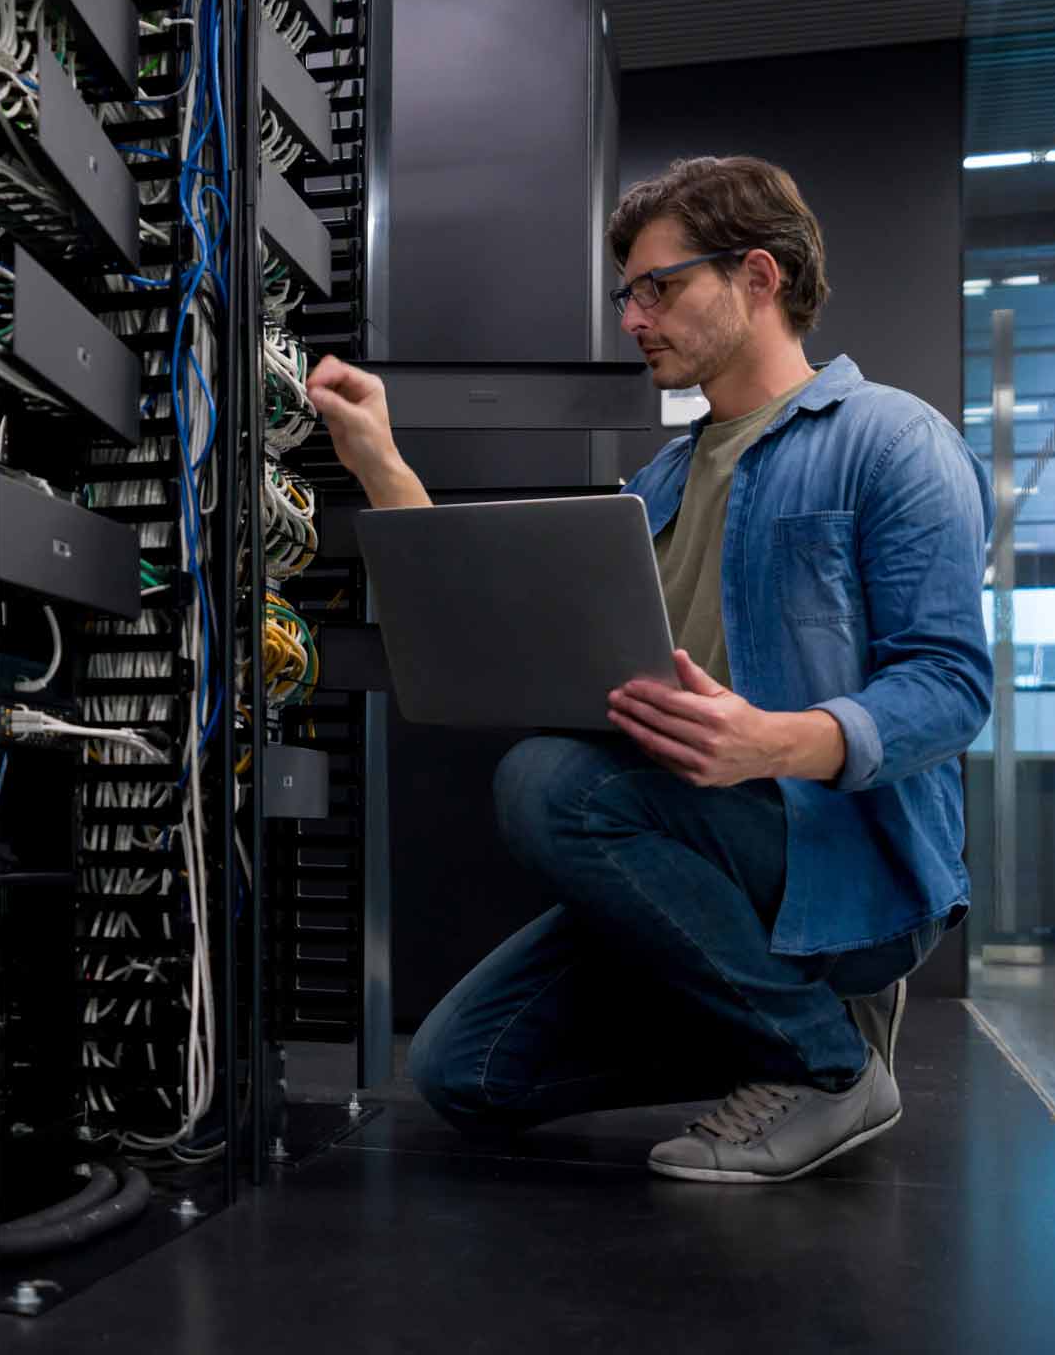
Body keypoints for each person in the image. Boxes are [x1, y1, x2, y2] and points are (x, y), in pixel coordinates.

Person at [303, 156, 994, 1183]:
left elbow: (950, 686)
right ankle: (796, 1025)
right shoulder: (656, 484)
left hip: (832, 853)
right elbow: (491, 634)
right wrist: (381, 462)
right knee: (465, 1072)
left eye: (657, 287)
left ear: (758, 277)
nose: (634, 316)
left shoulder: (892, 441)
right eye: (628, 291)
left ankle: (829, 1062)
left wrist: (774, 739)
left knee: (548, 782)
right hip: (698, 854)